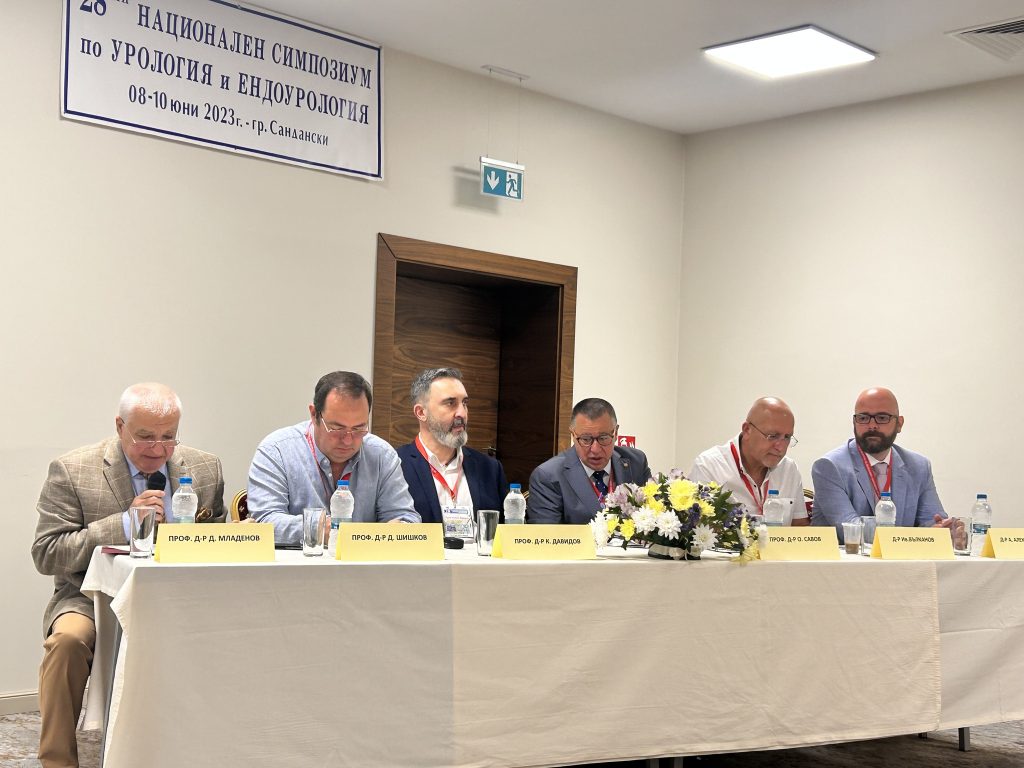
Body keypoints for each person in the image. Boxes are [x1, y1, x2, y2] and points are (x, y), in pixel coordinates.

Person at [31, 383, 225, 768]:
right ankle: (56, 760)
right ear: (120, 426)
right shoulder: (73, 470)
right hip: (90, 597)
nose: (158, 449)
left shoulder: (205, 468)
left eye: (169, 437)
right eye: (145, 436)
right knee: (67, 641)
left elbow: (215, 540)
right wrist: (123, 523)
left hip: (179, 597)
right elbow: (47, 553)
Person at [247, 371, 419, 543]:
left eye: (358, 428)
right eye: (337, 428)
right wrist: (319, 529)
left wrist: (398, 529)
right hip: (298, 560)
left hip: (363, 559)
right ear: (314, 414)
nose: (348, 440)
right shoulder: (277, 450)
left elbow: (406, 518)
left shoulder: (382, 455)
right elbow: (264, 521)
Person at [811, 387, 948, 536]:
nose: (872, 426)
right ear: (854, 422)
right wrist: (915, 536)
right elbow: (851, 530)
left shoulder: (919, 466)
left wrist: (946, 531)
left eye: (882, 418)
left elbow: (933, 522)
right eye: (863, 418)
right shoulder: (829, 467)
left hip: (901, 551)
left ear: (899, 424)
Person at [396, 368, 508, 534]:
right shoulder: (396, 466)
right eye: (450, 403)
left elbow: (505, 534)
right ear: (421, 412)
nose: (462, 413)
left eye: (464, 403)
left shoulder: (490, 468)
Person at [527, 398, 651, 524]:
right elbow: (546, 534)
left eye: (603, 438)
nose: (595, 449)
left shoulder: (636, 462)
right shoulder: (548, 477)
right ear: (573, 435)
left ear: (616, 432)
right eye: (586, 439)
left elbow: (653, 517)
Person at [687, 397, 808, 525]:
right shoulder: (709, 467)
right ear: (747, 430)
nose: (781, 447)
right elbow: (697, 530)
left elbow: (800, 528)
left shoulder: (789, 469)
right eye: (772, 436)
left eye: (787, 437)